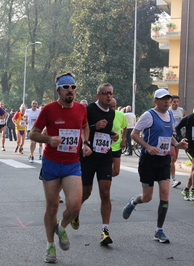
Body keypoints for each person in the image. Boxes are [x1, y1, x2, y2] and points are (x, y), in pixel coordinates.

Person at [29, 73, 91, 264]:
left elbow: (85, 126)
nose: (70, 90)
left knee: (74, 205)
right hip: (52, 163)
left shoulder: (81, 108)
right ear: (58, 90)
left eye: (73, 87)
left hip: (72, 163)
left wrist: (85, 143)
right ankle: (50, 245)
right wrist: (49, 139)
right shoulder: (48, 109)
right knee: (53, 206)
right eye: (66, 87)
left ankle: (62, 228)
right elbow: (33, 133)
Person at [122, 89, 188, 244]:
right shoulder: (148, 115)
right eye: (163, 99)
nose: (167, 102)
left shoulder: (171, 115)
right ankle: (134, 202)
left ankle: (159, 230)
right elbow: (134, 134)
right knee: (147, 197)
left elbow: (169, 135)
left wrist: (177, 144)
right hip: (148, 161)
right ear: (155, 101)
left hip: (164, 159)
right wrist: (148, 146)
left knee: (165, 193)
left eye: (168, 99)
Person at [74, 83, 118, 246]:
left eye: (110, 93)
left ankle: (105, 230)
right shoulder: (89, 109)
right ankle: (75, 211)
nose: (108, 96)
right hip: (88, 156)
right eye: (105, 93)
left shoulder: (112, 113)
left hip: (105, 156)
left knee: (105, 192)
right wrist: (94, 126)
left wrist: (113, 135)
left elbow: (106, 132)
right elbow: (79, 128)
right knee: (86, 193)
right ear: (98, 95)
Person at [169, 95, 187, 188]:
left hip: (178, 136)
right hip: (170, 136)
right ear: (171, 102)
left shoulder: (181, 110)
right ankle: (173, 179)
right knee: (172, 158)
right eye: (174, 101)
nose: (175, 103)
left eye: (177, 101)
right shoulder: (168, 111)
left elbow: (186, 119)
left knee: (174, 159)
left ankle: (167, 172)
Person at [110, 98, 127, 177]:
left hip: (116, 147)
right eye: (111, 107)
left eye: (114, 106)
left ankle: (105, 177)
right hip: (105, 148)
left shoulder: (120, 115)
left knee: (116, 171)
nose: (113, 109)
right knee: (105, 172)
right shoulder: (101, 114)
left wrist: (123, 139)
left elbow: (125, 127)